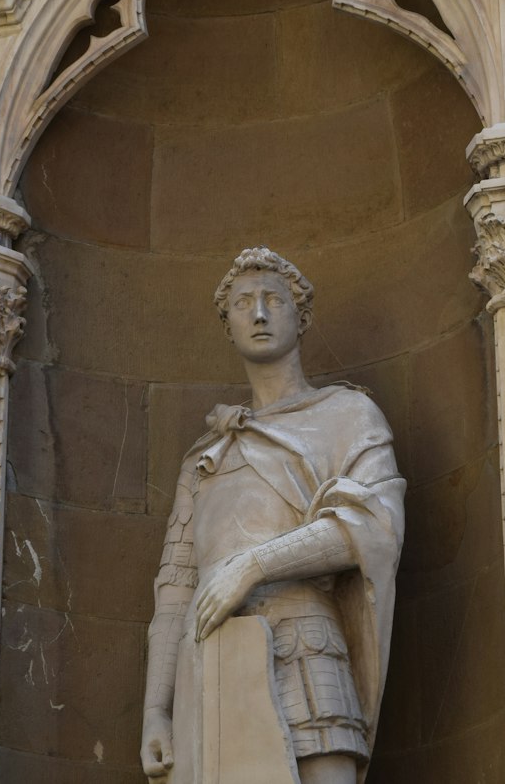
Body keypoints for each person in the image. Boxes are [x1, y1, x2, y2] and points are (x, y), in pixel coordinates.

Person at [141, 248, 405, 784]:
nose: (258, 313)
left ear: (300, 316)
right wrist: (155, 709)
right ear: (228, 324)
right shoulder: (203, 459)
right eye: (243, 303)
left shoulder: (348, 416)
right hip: (211, 661)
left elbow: (373, 528)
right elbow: (174, 593)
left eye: (273, 300)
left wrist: (252, 566)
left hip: (308, 645)